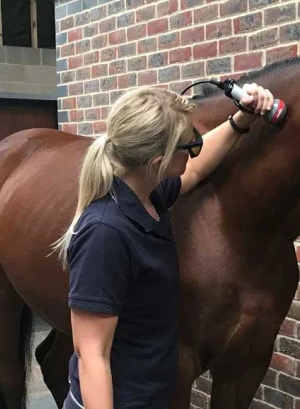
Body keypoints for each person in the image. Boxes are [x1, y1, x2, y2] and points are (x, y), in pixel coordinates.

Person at [53, 83, 275, 409]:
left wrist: (240, 120)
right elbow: (92, 355)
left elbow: (195, 171)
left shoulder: (149, 196)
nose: (195, 150)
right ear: (158, 161)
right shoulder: (105, 235)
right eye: (189, 146)